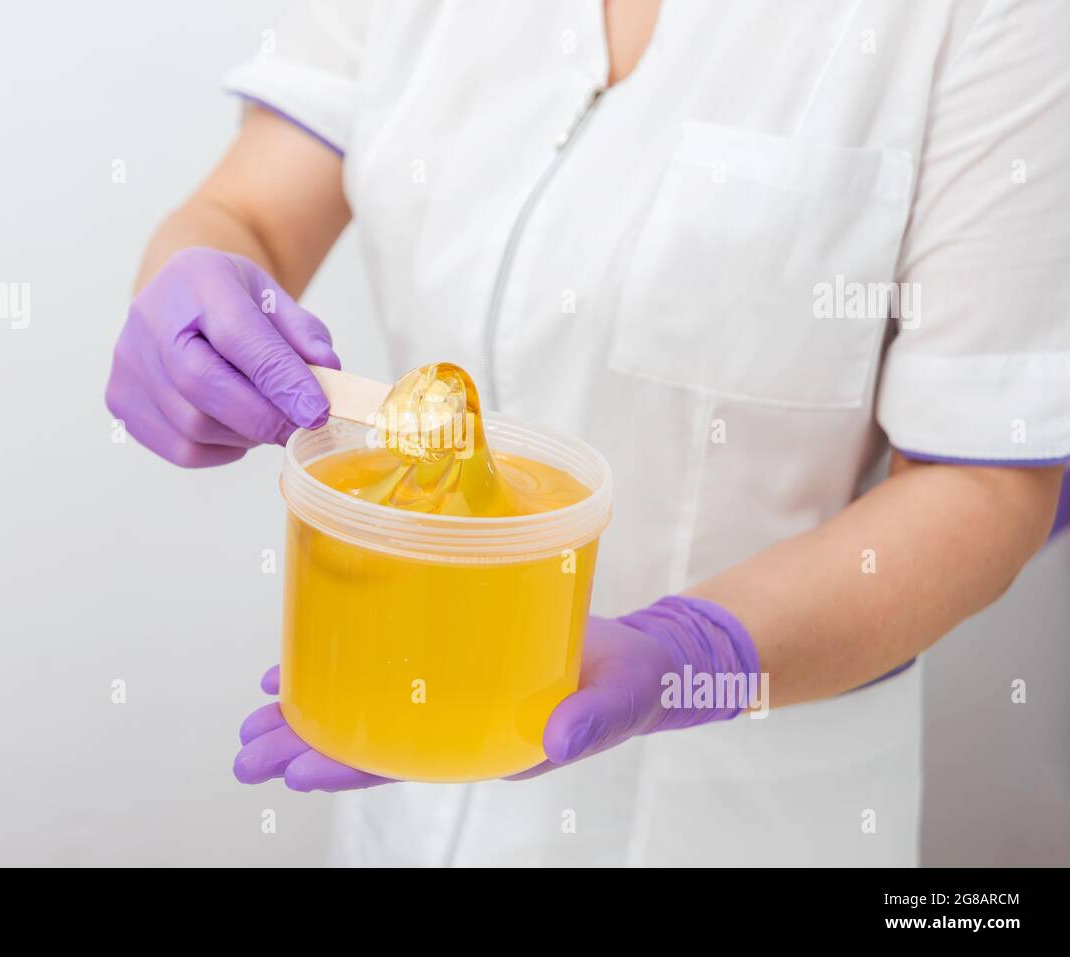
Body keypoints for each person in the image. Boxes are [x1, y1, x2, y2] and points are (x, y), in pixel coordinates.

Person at [105, 0, 1070, 866]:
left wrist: (696, 654)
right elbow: (246, 214)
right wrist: (194, 295)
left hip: (737, 810)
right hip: (395, 723)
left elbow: (987, 482)